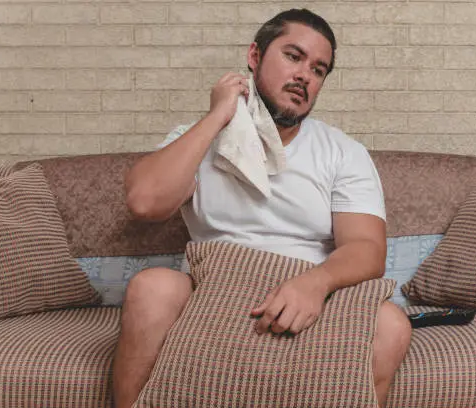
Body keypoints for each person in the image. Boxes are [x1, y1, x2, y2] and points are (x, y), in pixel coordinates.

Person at [112, 8, 411, 408]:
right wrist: (219, 114)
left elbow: (366, 249)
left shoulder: (343, 152)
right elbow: (144, 201)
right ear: (254, 56)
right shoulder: (198, 139)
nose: (305, 75)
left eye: (319, 69)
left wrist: (314, 285)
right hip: (211, 293)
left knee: (391, 324)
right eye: (293, 56)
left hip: (304, 297)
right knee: (151, 288)